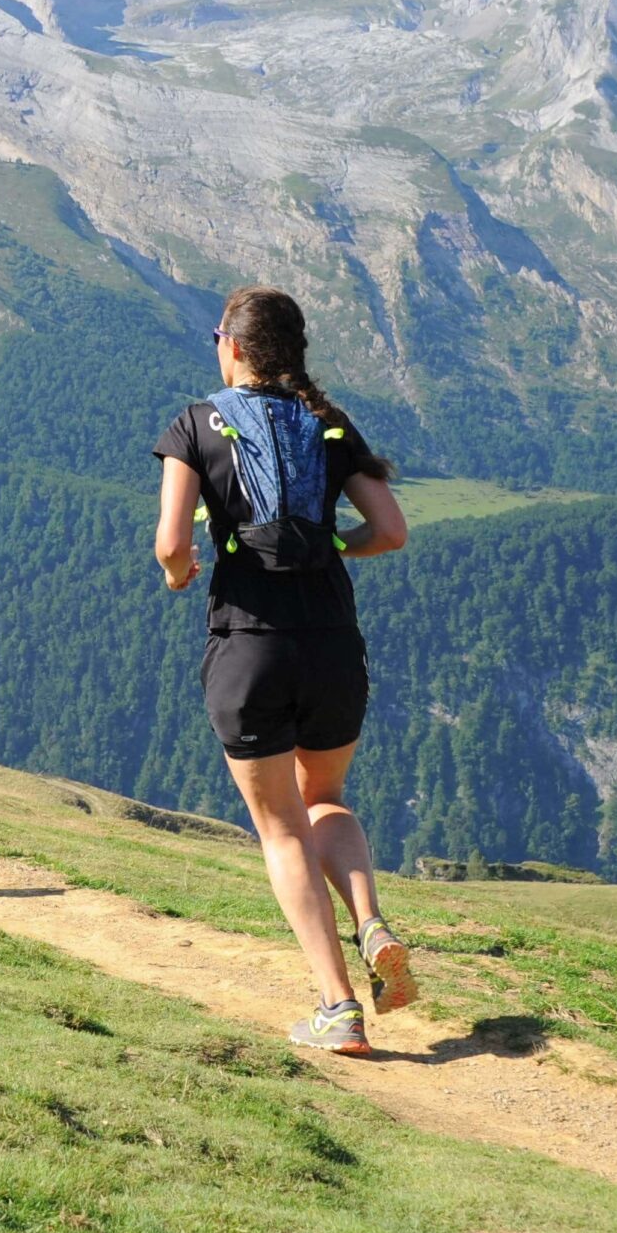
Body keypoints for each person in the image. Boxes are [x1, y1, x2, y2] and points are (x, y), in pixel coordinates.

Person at [152, 285, 411, 1054]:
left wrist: (179, 573)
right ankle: (371, 923)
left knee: (280, 827)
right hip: (333, 641)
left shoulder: (197, 423)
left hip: (250, 645)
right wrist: (336, 547)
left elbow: (171, 544)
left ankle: (338, 1006)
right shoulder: (328, 422)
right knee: (324, 797)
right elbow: (390, 530)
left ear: (232, 344)